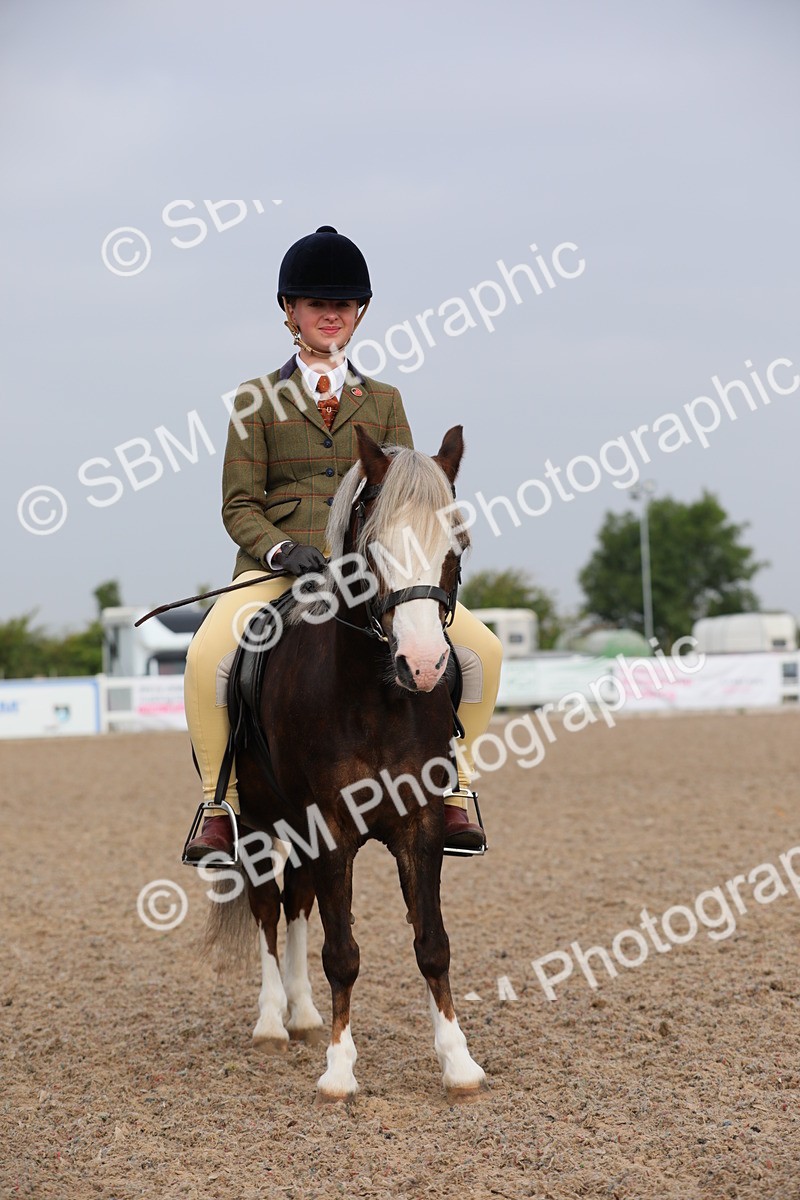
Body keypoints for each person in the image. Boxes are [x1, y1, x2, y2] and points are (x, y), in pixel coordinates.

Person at [183, 225, 502, 860]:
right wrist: (279, 551)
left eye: (343, 306)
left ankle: (455, 787)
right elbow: (238, 505)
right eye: (315, 305)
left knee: (483, 653)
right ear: (289, 312)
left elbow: (412, 492)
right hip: (280, 570)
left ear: (359, 313)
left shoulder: (384, 400)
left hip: (374, 575)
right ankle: (220, 804)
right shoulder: (255, 400)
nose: (331, 316)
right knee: (206, 659)